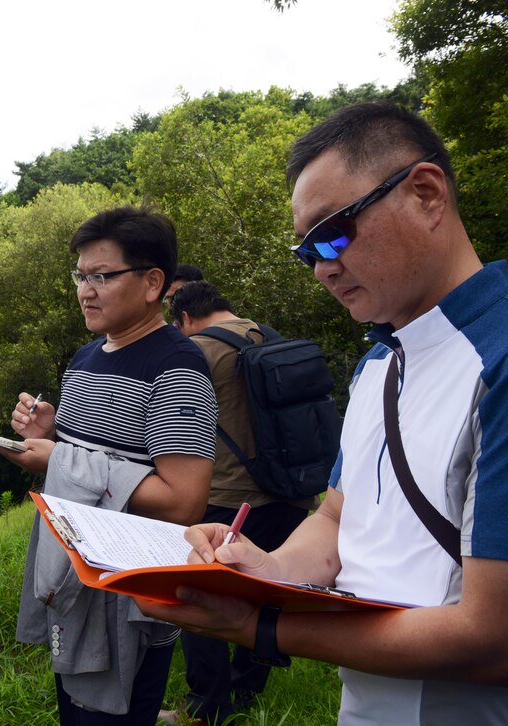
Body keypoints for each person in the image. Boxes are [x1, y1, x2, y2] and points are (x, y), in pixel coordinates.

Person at [135, 101, 508, 725]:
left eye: (333, 233)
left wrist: (261, 624)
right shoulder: (376, 366)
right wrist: (265, 567)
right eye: (305, 251)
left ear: (425, 193)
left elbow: (492, 637)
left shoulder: (497, 361)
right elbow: (338, 515)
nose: (322, 269)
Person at [0, 206, 218, 724]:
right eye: (80, 275)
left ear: (152, 283)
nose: (85, 290)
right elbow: (90, 457)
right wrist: (47, 435)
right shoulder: (87, 356)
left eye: (101, 276)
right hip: (76, 577)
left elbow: (183, 500)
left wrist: (63, 459)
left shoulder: (176, 368)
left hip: (129, 593)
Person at [161, 280, 316, 725]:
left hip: (229, 498)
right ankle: (246, 688)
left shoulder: (197, 354)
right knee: (264, 593)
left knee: (198, 598)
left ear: (185, 318)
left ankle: (206, 706)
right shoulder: (269, 337)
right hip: (293, 494)